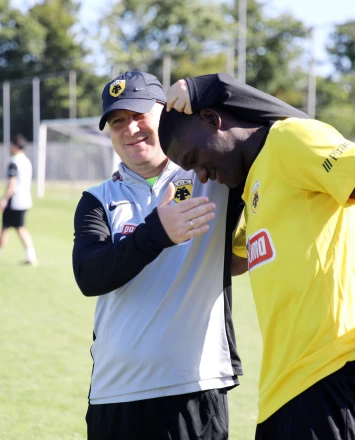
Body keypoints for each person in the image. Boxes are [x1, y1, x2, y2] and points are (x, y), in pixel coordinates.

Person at [158, 73, 355, 439]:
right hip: (281, 397)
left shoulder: (291, 140)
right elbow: (232, 262)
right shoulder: (256, 181)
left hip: (333, 381)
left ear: (212, 119)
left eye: (195, 159)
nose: (202, 175)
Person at [72, 71, 246, 440]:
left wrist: (203, 87)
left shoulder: (211, 173)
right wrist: (157, 233)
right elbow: (90, 276)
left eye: (139, 115)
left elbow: (277, 123)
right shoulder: (97, 199)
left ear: (165, 114)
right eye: (117, 121)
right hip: (114, 391)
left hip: (195, 386)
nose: (130, 129)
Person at [0, 134, 37, 266]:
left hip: (14, 200)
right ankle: (31, 255)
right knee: (20, 227)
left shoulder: (14, 162)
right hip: (25, 200)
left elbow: (12, 184)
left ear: (15, 146)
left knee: (6, 228)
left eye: (11, 144)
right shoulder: (26, 161)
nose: (9, 147)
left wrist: (4, 199)